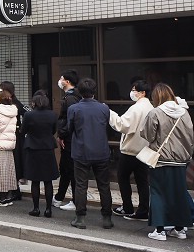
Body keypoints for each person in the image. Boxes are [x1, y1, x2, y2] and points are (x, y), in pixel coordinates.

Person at [139, 83, 194, 241]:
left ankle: (160, 230)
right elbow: (190, 136)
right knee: (179, 194)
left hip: (161, 159)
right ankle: (180, 229)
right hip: (181, 160)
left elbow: (148, 135)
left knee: (158, 193)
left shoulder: (155, 112)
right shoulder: (184, 113)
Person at [66, 78, 113, 230]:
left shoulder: (73, 109)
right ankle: (107, 218)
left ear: (79, 91)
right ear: (94, 91)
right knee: (104, 186)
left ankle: (80, 218)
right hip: (101, 150)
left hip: (81, 150)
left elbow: (69, 128)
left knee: (81, 185)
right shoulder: (104, 108)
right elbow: (107, 127)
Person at [109, 79, 153, 221]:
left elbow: (123, 125)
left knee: (123, 178)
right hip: (144, 151)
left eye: (135, 90)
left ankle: (127, 207)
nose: (132, 92)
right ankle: (143, 210)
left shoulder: (137, 108)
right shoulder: (150, 107)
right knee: (142, 182)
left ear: (142, 93)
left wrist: (110, 113)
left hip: (131, 151)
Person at [21, 92, 59, 217]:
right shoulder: (52, 114)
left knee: (35, 181)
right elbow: (53, 130)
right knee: (48, 181)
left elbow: (23, 130)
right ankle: (48, 209)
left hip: (33, 148)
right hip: (48, 148)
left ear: (35, 103)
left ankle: (36, 208)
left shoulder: (29, 115)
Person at [54, 70, 81, 211]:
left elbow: (69, 120)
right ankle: (59, 197)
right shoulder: (73, 96)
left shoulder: (70, 99)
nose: (60, 81)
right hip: (69, 138)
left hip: (70, 139)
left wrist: (63, 135)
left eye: (61, 78)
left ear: (67, 81)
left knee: (70, 170)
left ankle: (75, 201)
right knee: (65, 169)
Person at [0, 81, 28, 201]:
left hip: (13, 137)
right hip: (13, 137)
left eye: (1, 89)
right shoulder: (12, 102)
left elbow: (27, 113)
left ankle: (12, 191)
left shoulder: (14, 103)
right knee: (13, 163)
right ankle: (15, 190)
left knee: (13, 163)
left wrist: (21, 128)